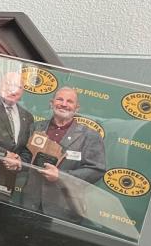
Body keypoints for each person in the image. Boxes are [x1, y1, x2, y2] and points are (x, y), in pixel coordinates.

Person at [20, 87, 106, 223]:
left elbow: (96, 170)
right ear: (51, 103)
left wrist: (61, 176)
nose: (64, 104)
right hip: (30, 203)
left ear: (76, 108)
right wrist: (17, 161)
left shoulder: (89, 136)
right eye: (60, 99)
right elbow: (27, 155)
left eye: (69, 101)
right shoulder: (36, 127)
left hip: (64, 209)